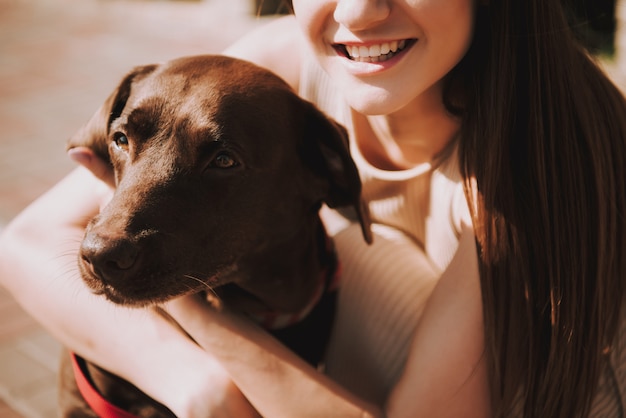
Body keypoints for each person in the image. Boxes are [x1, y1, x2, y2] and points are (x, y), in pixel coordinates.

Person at [0, 0, 625, 416]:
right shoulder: (295, 61)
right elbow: (25, 243)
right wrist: (198, 382)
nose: (358, 10)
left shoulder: (522, 178)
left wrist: (212, 334)